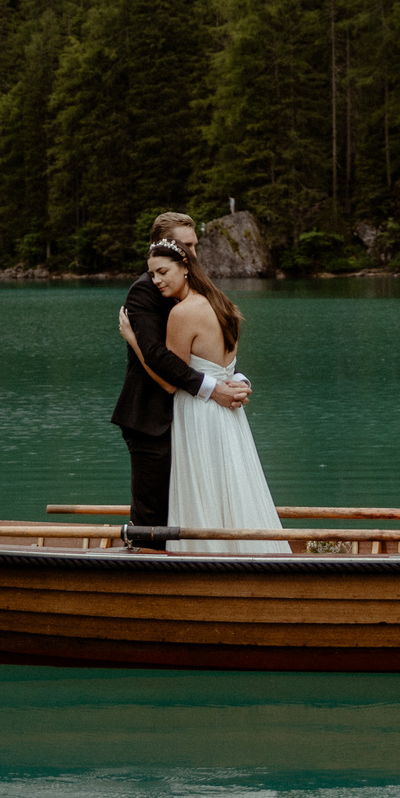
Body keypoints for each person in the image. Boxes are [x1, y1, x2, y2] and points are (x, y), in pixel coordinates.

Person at [111, 214, 249, 550]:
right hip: (150, 418)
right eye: (185, 245)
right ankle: (146, 579)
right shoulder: (145, 291)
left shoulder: (196, 290)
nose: (193, 253)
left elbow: (214, 344)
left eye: (194, 246)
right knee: (153, 515)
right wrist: (213, 389)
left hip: (189, 418)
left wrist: (235, 379)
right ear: (161, 246)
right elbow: (160, 359)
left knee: (191, 504)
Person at [143, 237, 288, 554]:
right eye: (152, 274)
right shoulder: (225, 306)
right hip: (229, 414)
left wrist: (138, 345)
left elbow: (170, 381)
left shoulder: (183, 313)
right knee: (233, 483)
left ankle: (204, 557)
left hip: (198, 412)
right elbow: (227, 368)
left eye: (162, 271)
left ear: (185, 268)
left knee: (205, 486)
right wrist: (240, 381)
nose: (156, 281)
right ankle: (249, 555)